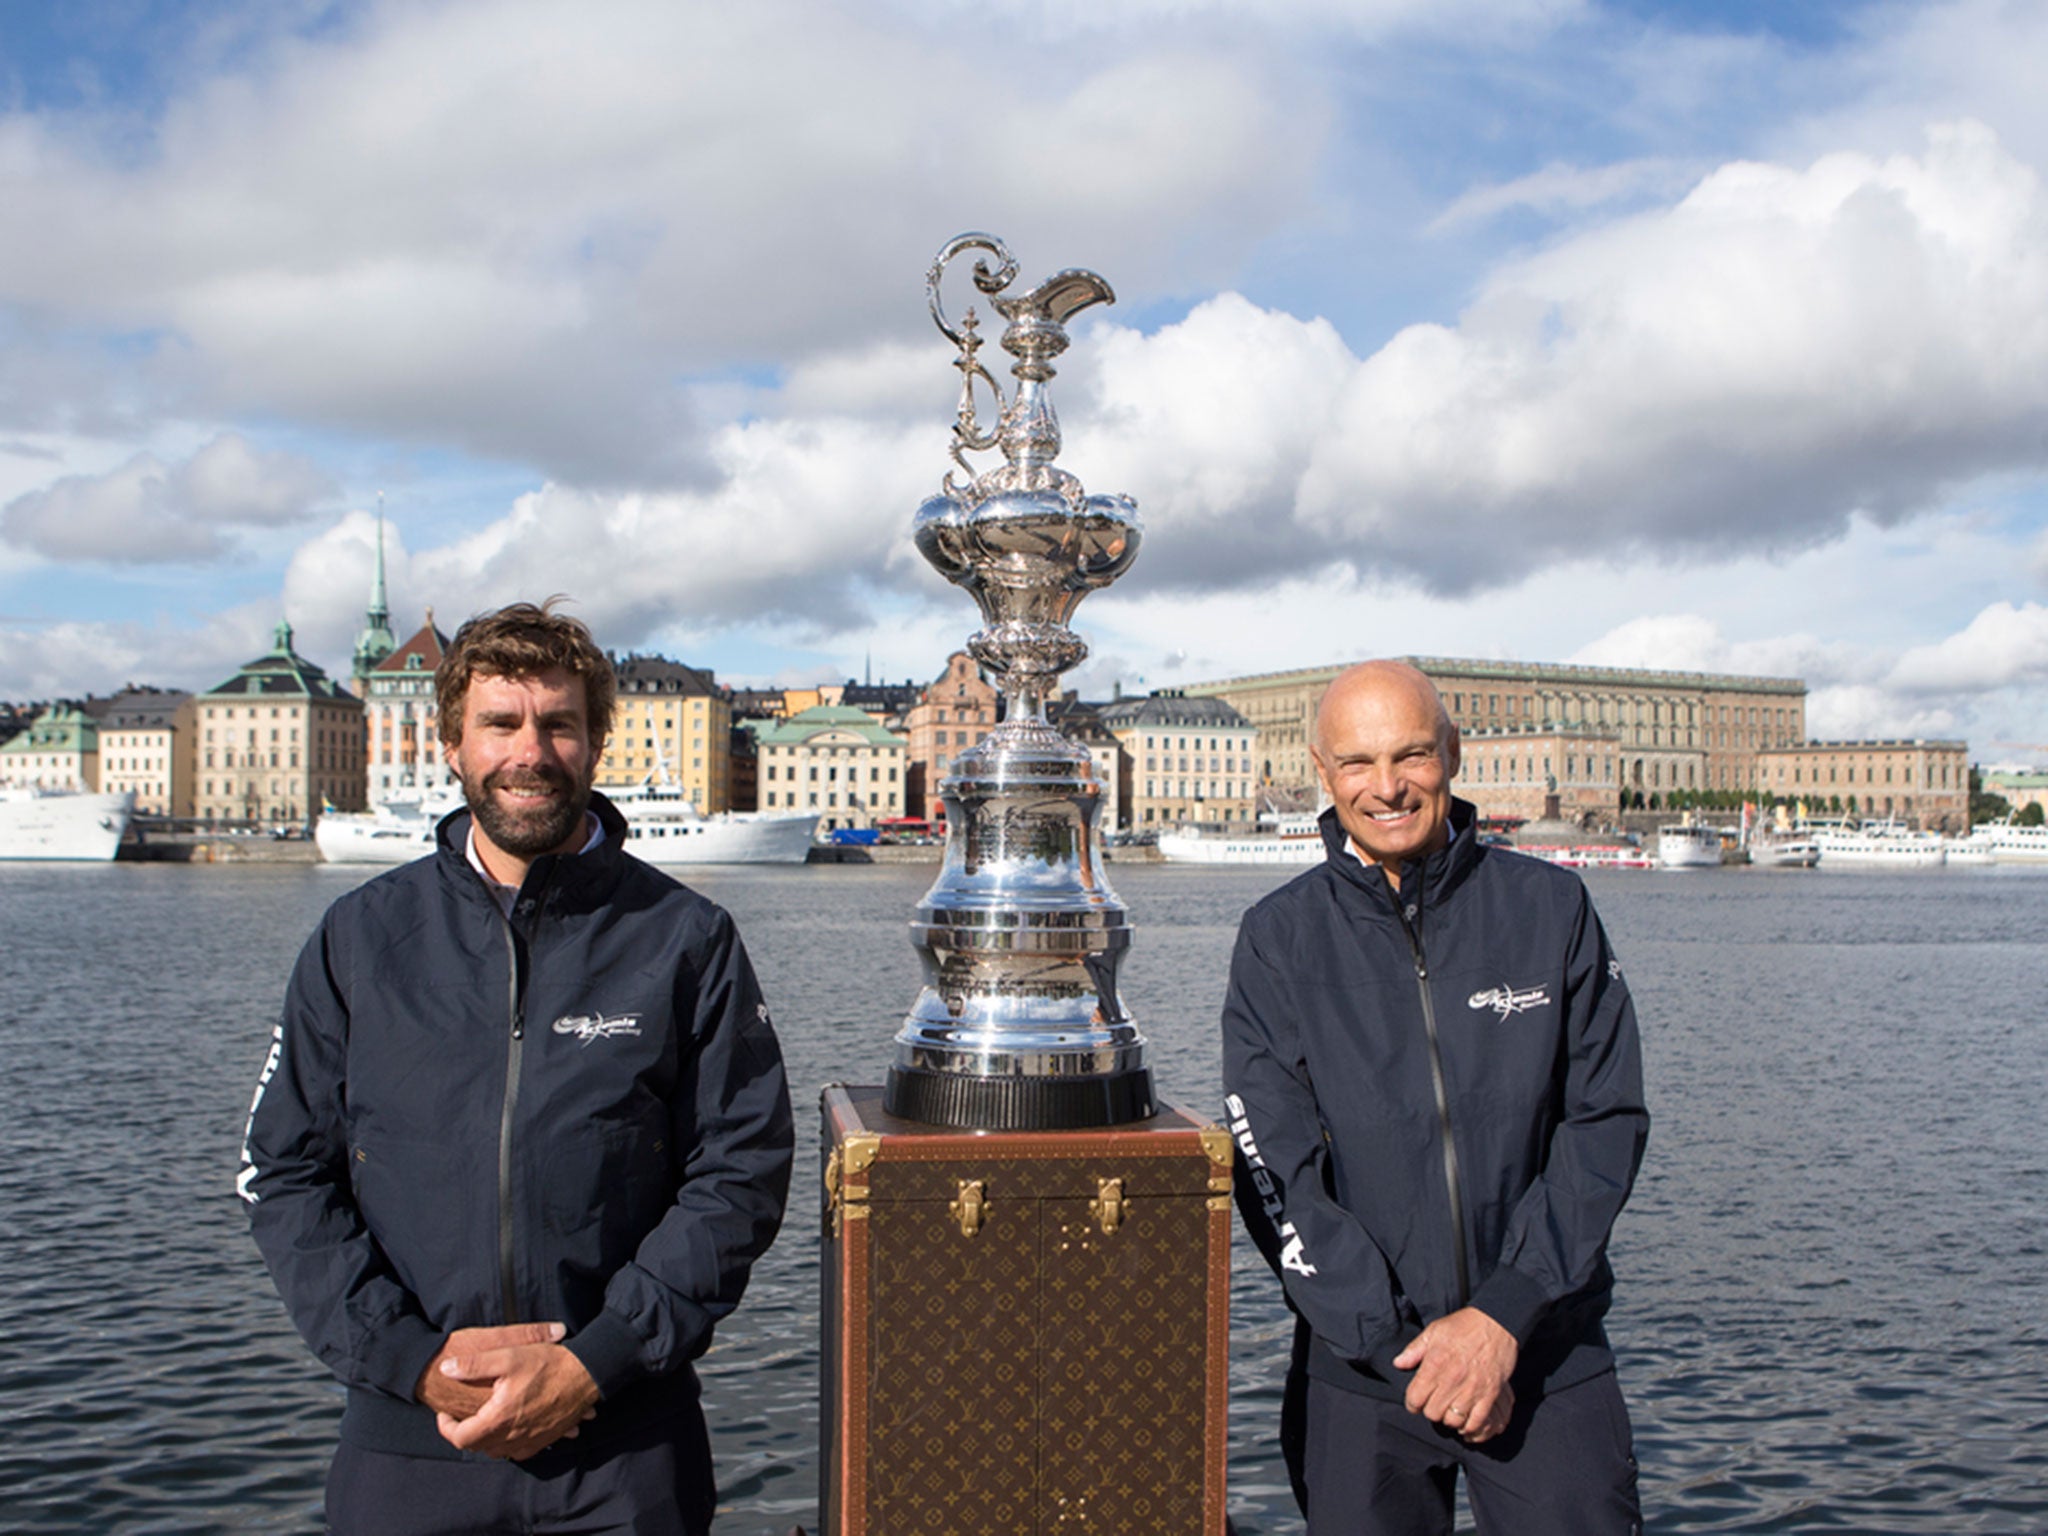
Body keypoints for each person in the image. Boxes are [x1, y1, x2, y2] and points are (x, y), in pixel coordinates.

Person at [239, 600, 794, 1536]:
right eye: (500, 723)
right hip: (411, 1445)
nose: (528, 751)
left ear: (594, 742)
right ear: (453, 747)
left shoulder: (684, 938)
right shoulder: (361, 940)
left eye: (558, 723)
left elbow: (741, 1174)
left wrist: (597, 1358)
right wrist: (413, 1363)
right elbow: (283, 1173)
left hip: (624, 1449)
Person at [1221, 660, 1648, 1535]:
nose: (1386, 787)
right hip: (1363, 1374)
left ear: (1452, 752)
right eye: (1358, 762)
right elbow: (1272, 1170)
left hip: (1542, 1357)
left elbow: (1604, 1124)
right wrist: (1404, 1351)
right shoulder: (1278, 938)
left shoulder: (1550, 907)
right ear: (1321, 768)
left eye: (1411, 755)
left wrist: (1501, 1319)